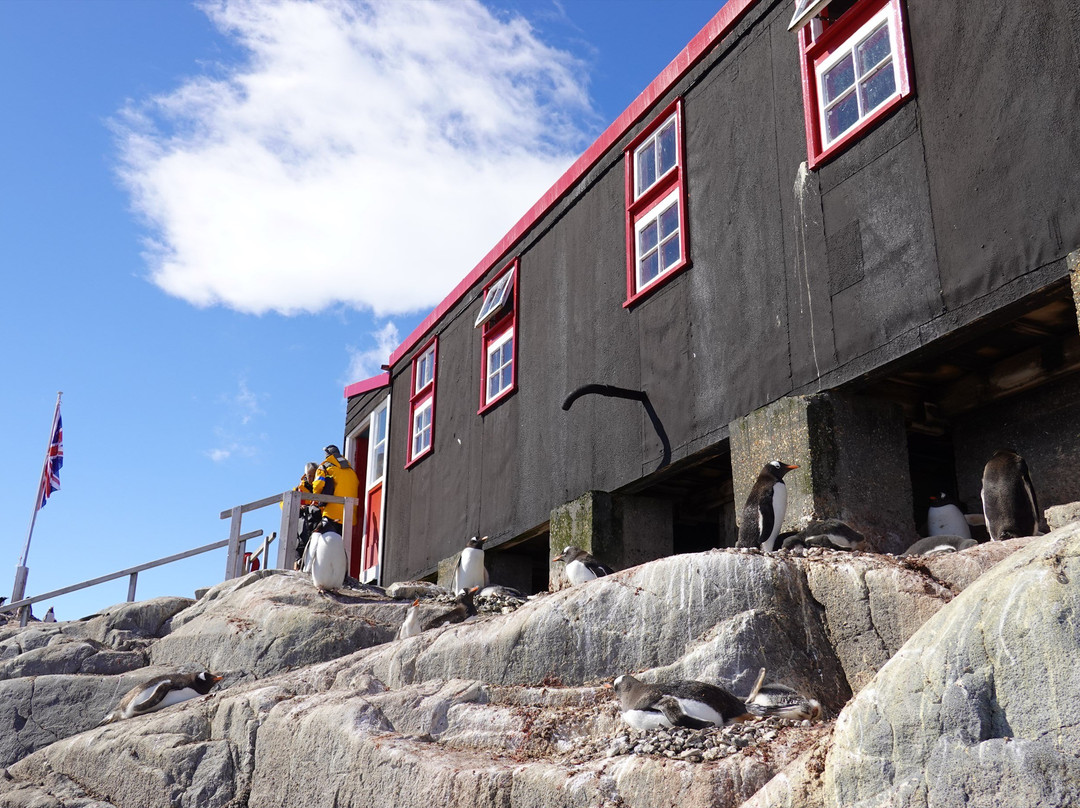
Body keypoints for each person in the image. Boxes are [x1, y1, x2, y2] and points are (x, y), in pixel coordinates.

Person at [311, 444, 360, 536]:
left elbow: (318, 484)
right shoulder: (351, 471)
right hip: (350, 518)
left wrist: (315, 499)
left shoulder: (324, 467)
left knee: (319, 539)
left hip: (332, 514)